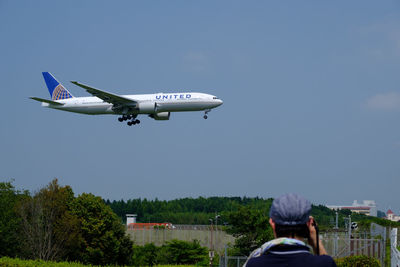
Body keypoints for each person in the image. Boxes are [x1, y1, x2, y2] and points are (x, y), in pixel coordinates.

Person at [244, 193, 336, 267]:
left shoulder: (255, 264)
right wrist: (316, 242)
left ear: (272, 222)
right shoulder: (324, 263)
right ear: (309, 223)